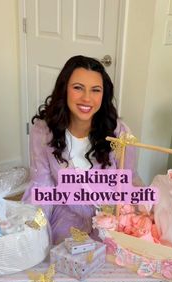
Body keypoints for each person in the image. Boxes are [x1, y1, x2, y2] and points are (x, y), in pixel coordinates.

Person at [22, 55, 141, 244]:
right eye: (78, 88)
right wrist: (32, 229)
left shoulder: (119, 133)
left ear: (104, 94)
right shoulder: (44, 131)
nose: (87, 98)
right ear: (64, 90)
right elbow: (42, 185)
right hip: (66, 217)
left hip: (111, 219)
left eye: (95, 90)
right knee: (55, 257)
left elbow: (128, 181)